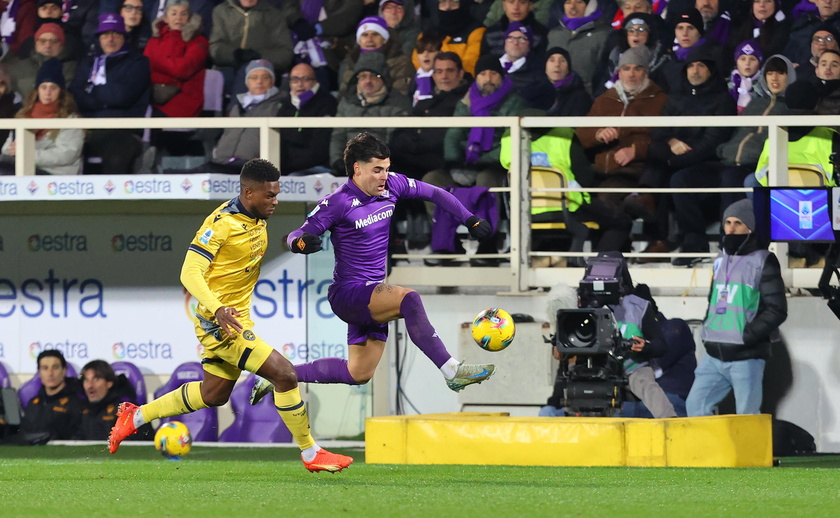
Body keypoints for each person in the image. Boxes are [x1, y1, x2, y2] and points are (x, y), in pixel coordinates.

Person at [108, 159, 353, 473]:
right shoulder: (221, 223)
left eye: (277, 194)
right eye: (269, 196)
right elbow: (189, 271)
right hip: (221, 323)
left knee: (213, 394)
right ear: (249, 193)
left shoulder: (255, 217)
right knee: (284, 374)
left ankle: (136, 416)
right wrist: (218, 308)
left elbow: (249, 254)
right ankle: (311, 453)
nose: (275, 201)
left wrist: (297, 244)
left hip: (237, 319)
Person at [249, 133, 497, 403]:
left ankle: (280, 375)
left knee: (359, 372)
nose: (384, 176)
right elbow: (293, 236)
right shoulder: (338, 203)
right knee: (409, 299)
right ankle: (452, 370)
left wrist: (470, 218)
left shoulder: (393, 185)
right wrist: (300, 243)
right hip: (349, 294)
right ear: (357, 168)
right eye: (377, 170)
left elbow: (435, 193)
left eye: (387, 169)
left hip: (372, 295)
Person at [686, 199, 787, 416]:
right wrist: (707, 329)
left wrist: (747, 336)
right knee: (695, 407)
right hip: (713, 354)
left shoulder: (764, 260)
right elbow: (714, 300)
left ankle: (749, 452)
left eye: (738, 223)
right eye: (727, 222)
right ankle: (710, 451)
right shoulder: (720, 258)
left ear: (750, 227)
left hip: (746, 356)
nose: (730, 228)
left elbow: (777, 309)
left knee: (747, 418)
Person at [68, 13, 150, 174]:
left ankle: (115, 198)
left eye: (115, 34)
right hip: (87, 130)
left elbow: (122, 97)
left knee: (116, 155)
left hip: (123, 130)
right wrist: (105, 98)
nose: (110, 39)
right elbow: (75, 96)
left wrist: (91, 91)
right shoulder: (88, 62)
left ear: (123, 37)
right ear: (99, 38)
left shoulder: (138, 62)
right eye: (105, 34)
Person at [329, 51, 411, 174]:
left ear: (384, 79)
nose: (368, 81)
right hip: (349, 167)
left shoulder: (398, 103)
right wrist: (338, 162)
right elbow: (338, 136)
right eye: (363, 76)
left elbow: (394, 142)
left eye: (374, 76)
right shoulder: (346, 102)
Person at [0, 58, 84, 176]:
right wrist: (13, 150)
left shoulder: (70, 119)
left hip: (54, 175)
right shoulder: (24, 116)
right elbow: (6, 149)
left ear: (61, 91)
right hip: (22, 170)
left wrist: (28, 153)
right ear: (37, 90)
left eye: (53, 88)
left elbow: (66, 155)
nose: (48, 92)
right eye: (43, 87)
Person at [209, 0, 293, 96]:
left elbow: (285, 54)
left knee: (251, 75)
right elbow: (215, 48)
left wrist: (258, 56)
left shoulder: (273, 14)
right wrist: (237, 55)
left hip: (262, 69)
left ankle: (235, 109)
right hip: (227, 68)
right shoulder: (222, 11)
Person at [278, 62, 338, 176]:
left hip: (316, 167)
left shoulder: (327, 103)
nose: (299, 84)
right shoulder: (285, 104)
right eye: (295, 79)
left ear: (314, 81)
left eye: (305, 79)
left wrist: (287, 165)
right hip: (286, 166)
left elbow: (320, 149)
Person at [337, 15, 414, 97]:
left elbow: (399, 95)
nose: (369, 39)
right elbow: (343, 95)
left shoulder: (400, 62)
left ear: (385, 39)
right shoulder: (349, 62)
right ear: (359, 41)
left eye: (375, 34)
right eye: (365, 35)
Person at [76, 360, 152, 441]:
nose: (90, 386)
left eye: (96, 379)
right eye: (86, 380)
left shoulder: (127, 410)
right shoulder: (80, 408)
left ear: (109, 383)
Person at [18, 350, 85, 442]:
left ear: (64, 371)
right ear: (39, 373)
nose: (50, 373)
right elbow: (23, 435)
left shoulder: (77, 404)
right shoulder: (33, 403)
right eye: (45, 368)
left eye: (55, 367)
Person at [546, 0, 611, 94]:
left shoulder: (604, 35)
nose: (572, 6)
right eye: (568, 2)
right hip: (554, 98)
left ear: (590, 6)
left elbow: (604, 74)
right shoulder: (554, 34)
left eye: (579, 2)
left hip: (588, 98)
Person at [5, 22, 76, 101]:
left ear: (62, 45)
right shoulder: (17, 67)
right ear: (35, 44)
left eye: (54, 41)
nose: (48, 45)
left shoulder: (73, 69)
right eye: (42, 41)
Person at [541, 46, 591, 116]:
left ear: (568, 68)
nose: (557, 65)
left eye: (562, 61)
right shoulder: (536, 92)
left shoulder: (580, 97)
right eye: (552, 60)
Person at [728, 40, 763, 114]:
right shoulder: (726, 86)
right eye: (743, 59)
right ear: (736, 61)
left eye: (752, 59)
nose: (747, 63)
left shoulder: (765, 86)